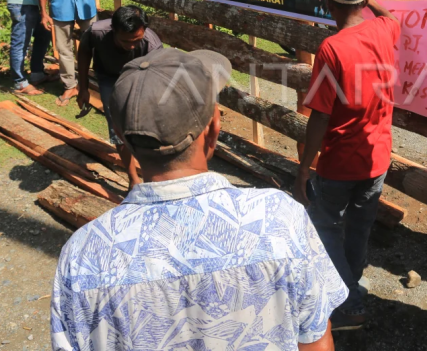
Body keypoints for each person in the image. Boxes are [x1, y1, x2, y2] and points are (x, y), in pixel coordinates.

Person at [51, 48, 346, 351]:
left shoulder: (83, 254)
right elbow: (314, 340)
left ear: (121, 137)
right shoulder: (279, 218)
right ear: (215, 128)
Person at [293, 0, 400, 331]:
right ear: (362, 0)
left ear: (327, 4)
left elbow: (320, 116)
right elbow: (390, 16)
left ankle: (350, 304)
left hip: (340, 161)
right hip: (378, 156)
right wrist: (371, 0)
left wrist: (305, 165)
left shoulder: (332, 48)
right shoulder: (384, 29)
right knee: (359, 226)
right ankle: (352, 284)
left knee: (324, 226)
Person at [76, 5, 163, 187]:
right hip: (109, 78)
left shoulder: (153, 45)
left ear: (144, 30)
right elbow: (84, 52)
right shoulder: (97, 32)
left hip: (140, 78)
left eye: (136, 40)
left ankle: (154, 175)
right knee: (117, 126)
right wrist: (83, 88)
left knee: (146, 126)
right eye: (125, 41)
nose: (131, 45)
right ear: (113, 30)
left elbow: (157, 79)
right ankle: (133, 179)